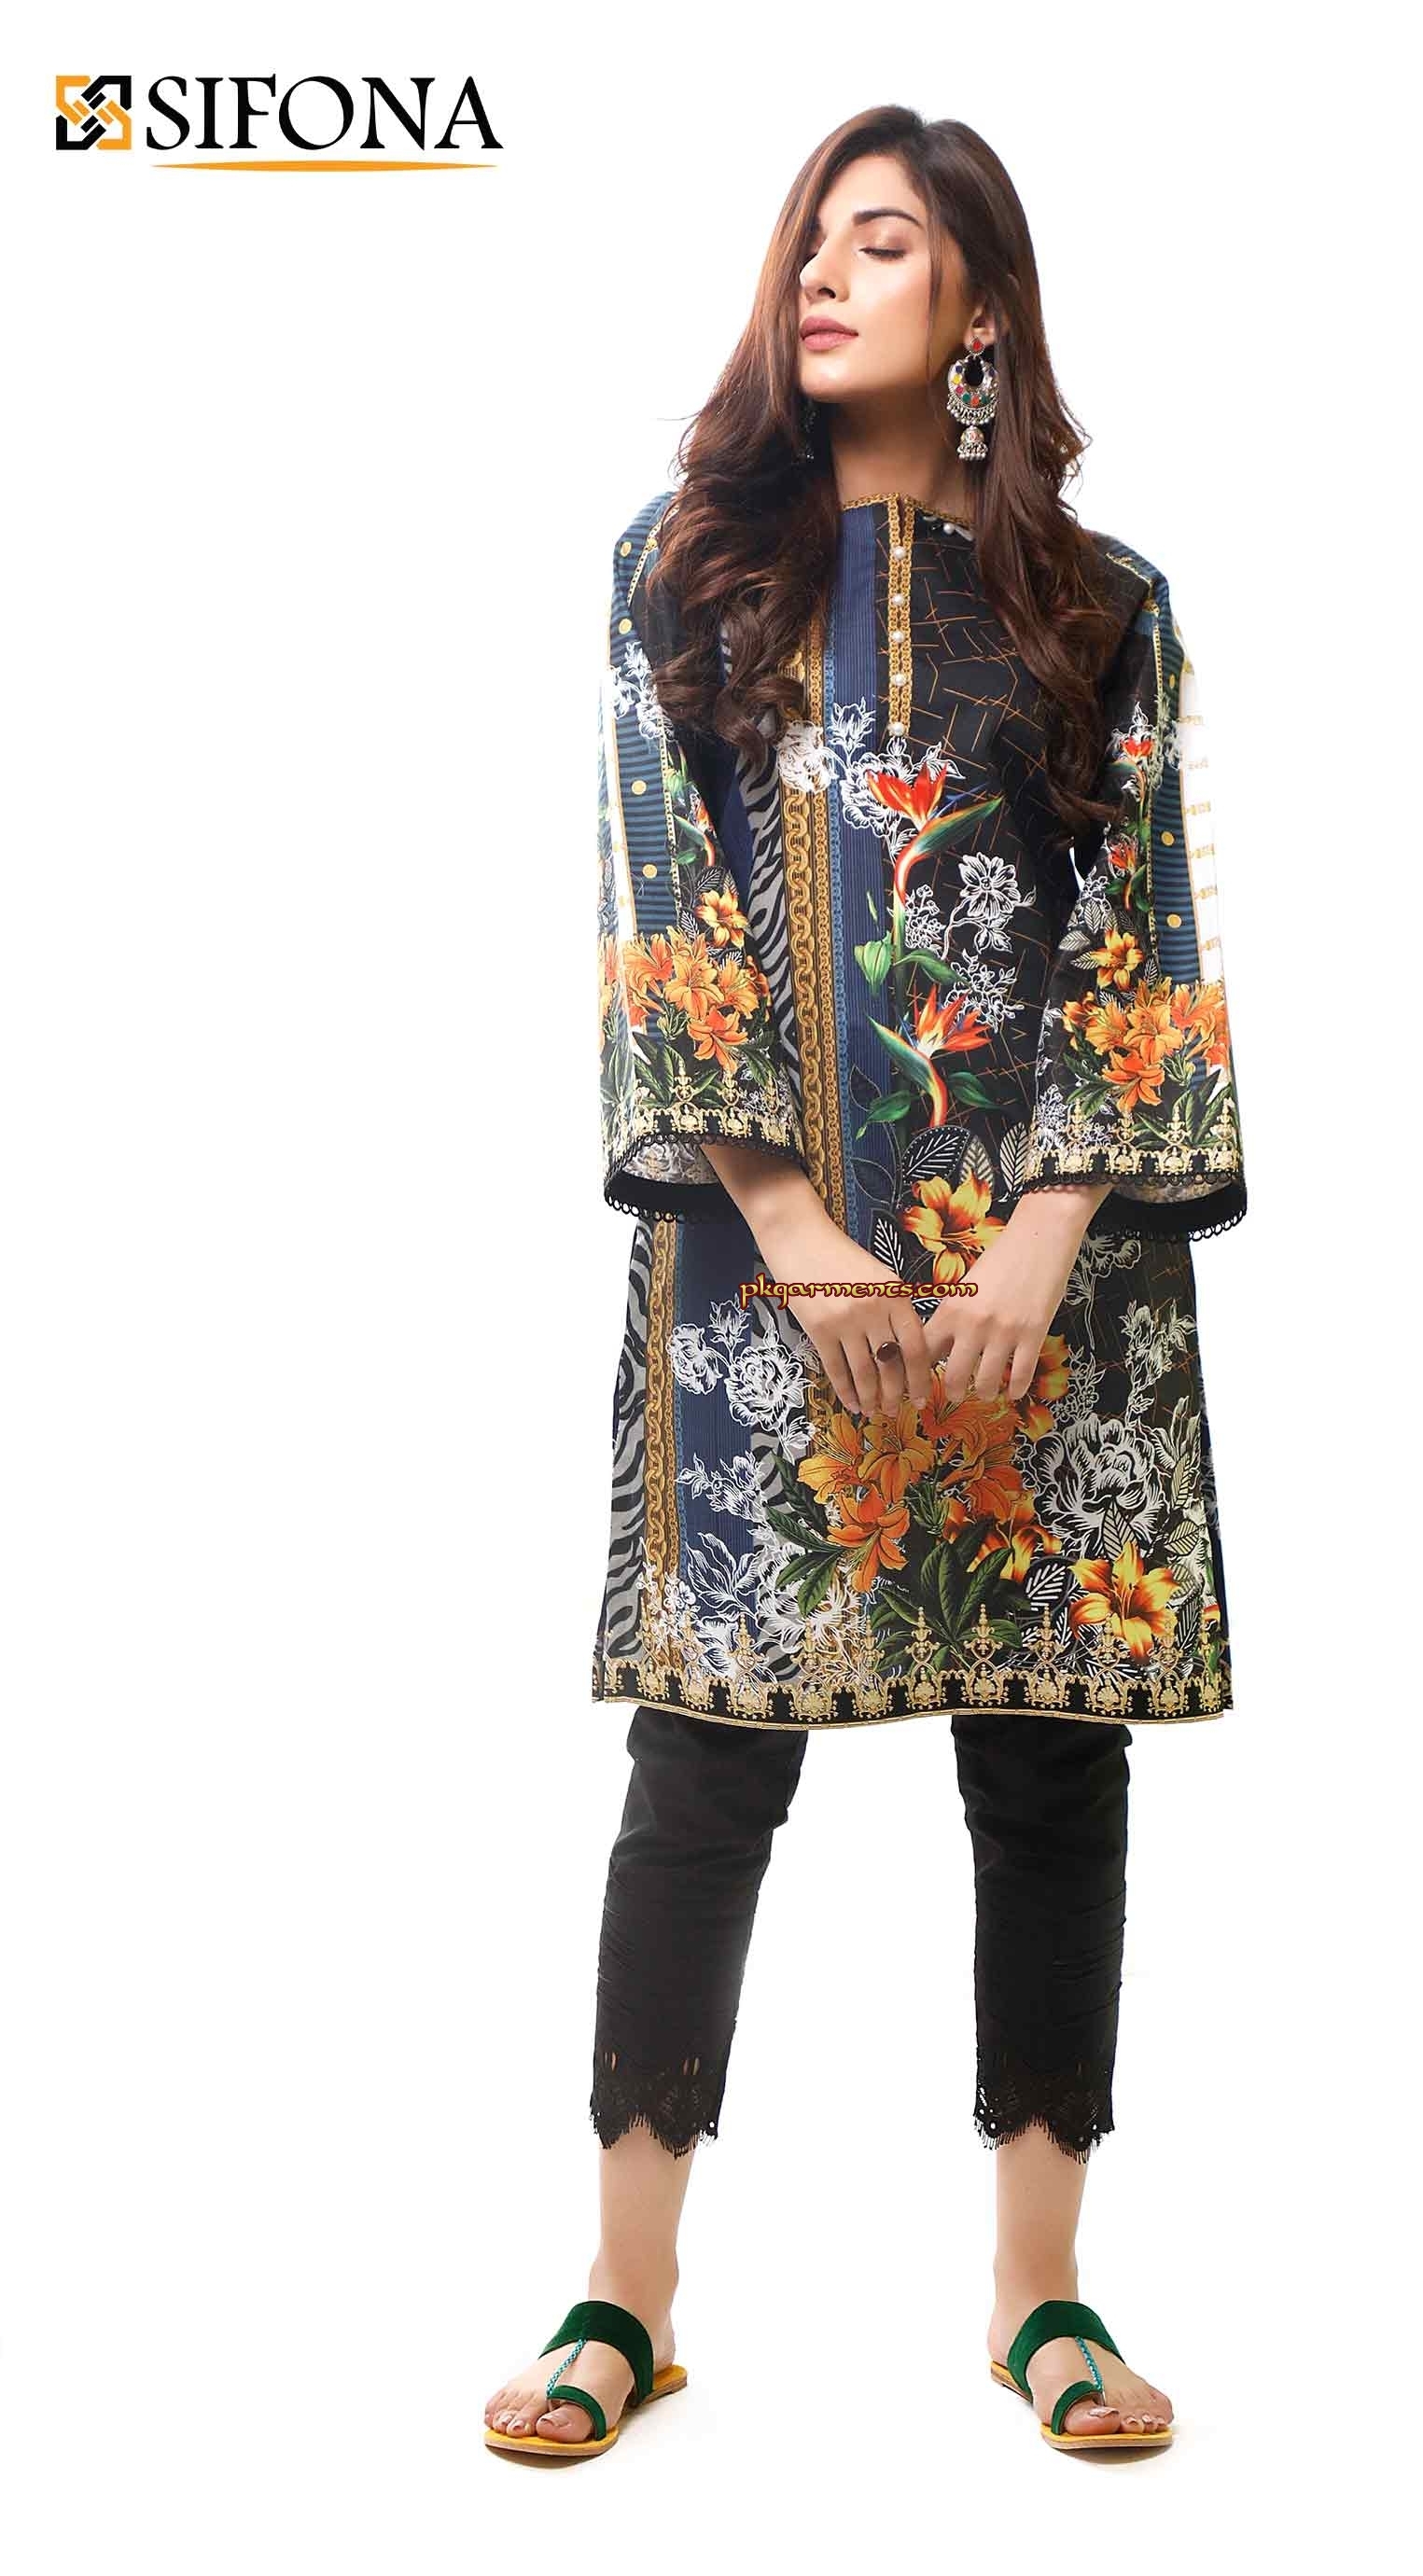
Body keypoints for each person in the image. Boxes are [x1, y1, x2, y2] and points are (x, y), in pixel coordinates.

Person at [485, 102, 1247, 2464]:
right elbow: (662, 910)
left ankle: (1042, 2298)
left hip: (1046, 1290)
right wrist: (798, 1234)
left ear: (978, 305)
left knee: (1049, 1759)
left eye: (882, 244)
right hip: (762, 1282)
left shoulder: (1099, 608)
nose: (822, 276)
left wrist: (1041, 1235)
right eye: (810, 241)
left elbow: (1142, 937)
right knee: (701, 1762)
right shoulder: (685, 573)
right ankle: (623, 2298)